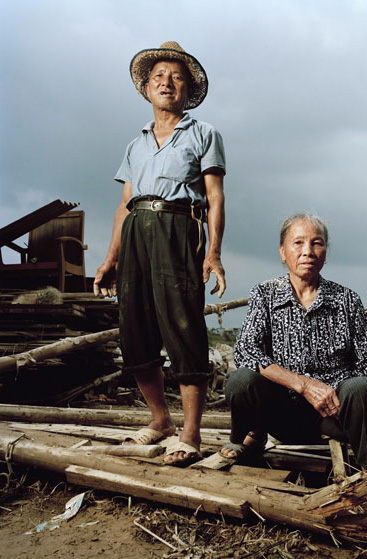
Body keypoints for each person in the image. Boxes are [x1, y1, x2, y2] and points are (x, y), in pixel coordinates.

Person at [94, 41, 226, 466]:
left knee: (183, 325)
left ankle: (190, 432)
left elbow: (216, 198)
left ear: (187, 90)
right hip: (136, 230)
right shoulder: (135, 145)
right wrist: (110, 257)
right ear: (147, 89)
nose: (166, 82)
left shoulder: (204, 134)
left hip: (178, 228)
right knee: (134, 329)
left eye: (176, 77)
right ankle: (160, 420)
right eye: (158, 77)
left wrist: (214, 254)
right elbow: (123, 205)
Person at [222, 213, 367, 510]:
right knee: (240, 380)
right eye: (298, 243)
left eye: (317, 243)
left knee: (361, 385)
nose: (308, 251)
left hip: (335, 414)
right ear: (282, 251)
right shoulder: (264, 294)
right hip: (280, 412)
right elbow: (246, 350)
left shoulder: (347, 299)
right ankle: (247, 439)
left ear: (325, 252)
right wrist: (302, 384)